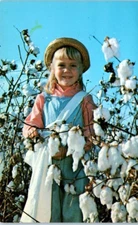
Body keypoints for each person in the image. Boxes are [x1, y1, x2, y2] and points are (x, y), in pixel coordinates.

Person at [20, 37, 97, 223]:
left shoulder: (84, 99)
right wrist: (35, 136)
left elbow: (92, 133)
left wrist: (74, 149)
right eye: (61, 65)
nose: (67, 70)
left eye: (73, 65)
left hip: (75, 166)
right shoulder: (44, 98)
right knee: (48, 208)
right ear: (52, 69)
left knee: (73, 210)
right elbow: (30, 124)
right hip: (49, 164)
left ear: (80, 70)